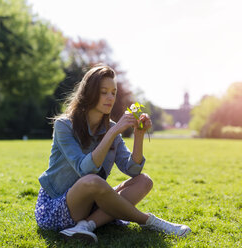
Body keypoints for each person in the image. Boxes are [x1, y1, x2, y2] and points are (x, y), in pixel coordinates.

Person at [34, 65, 191, 243]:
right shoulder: (64, 126)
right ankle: (150, 221)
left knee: (144, 181)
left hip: (90, 204)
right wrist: (113, 132)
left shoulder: (110, 128)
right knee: (93, 181)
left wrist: (138, 135)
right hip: (57, 206)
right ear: (89, 93)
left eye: (113, 92)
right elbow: (84, 171)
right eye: (104, 92)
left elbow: (132, 170)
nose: (110, 98)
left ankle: (87, 225)